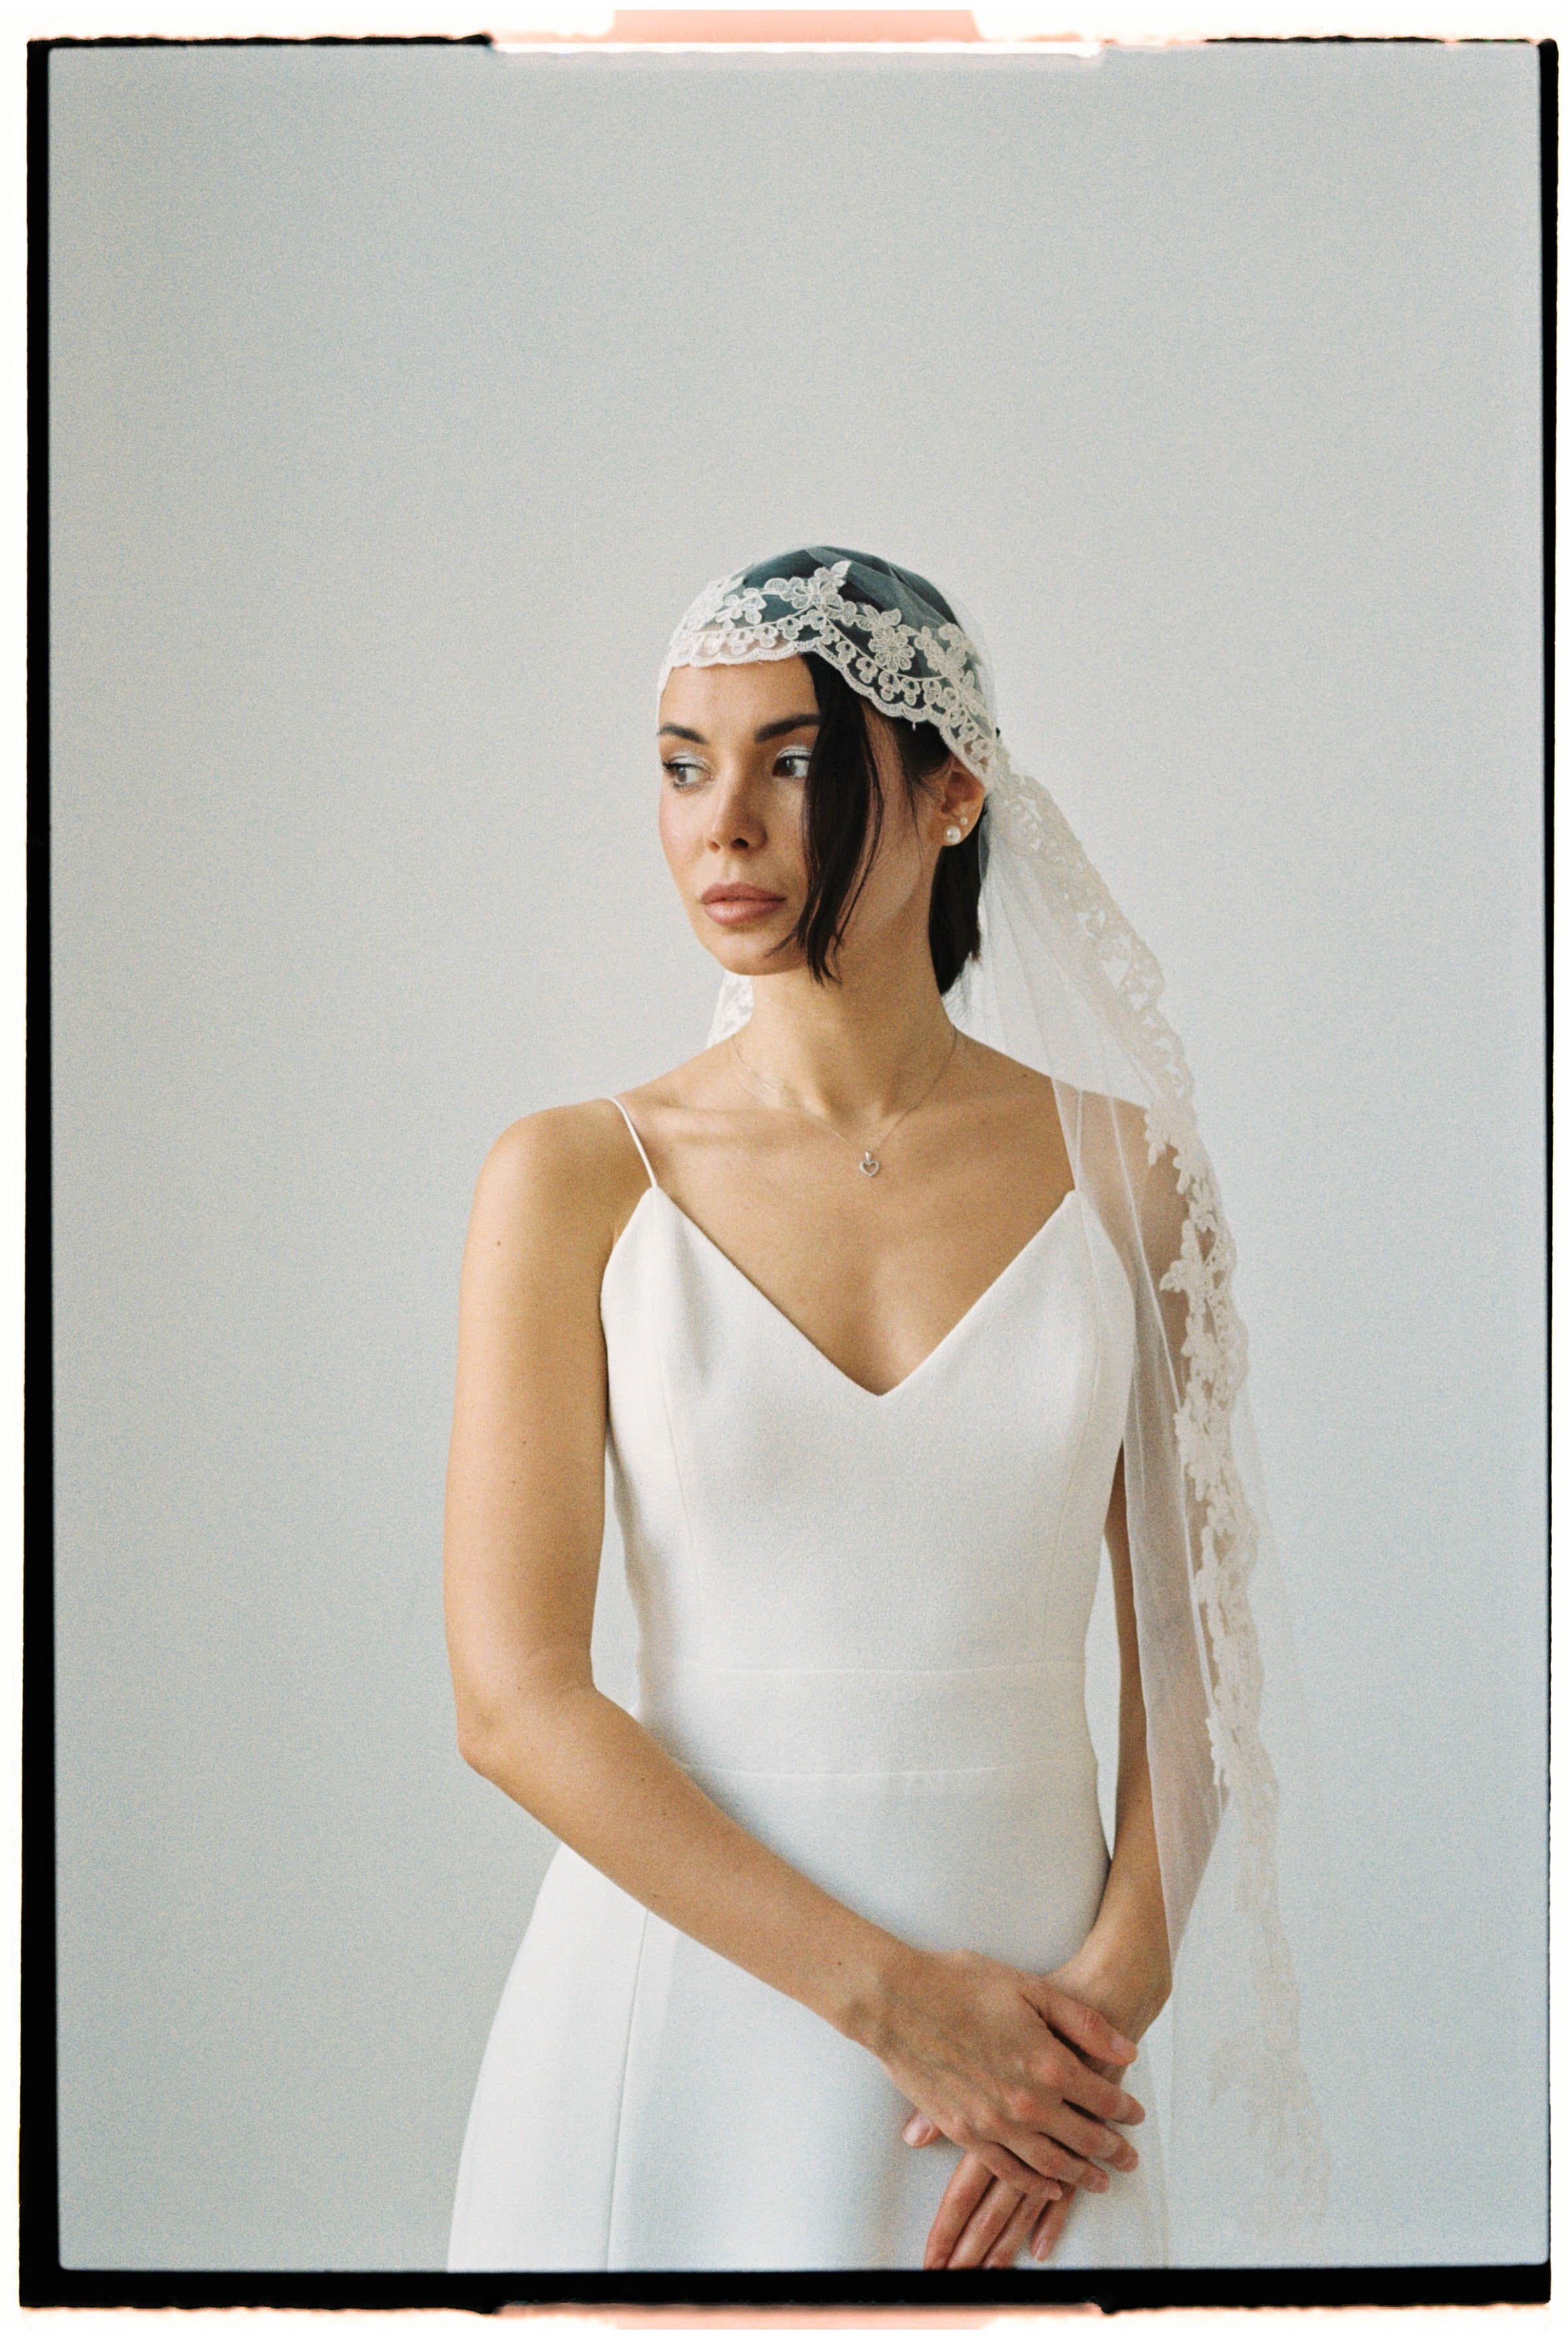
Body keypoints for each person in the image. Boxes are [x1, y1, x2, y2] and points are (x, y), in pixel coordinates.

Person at [442, 549, 1331, 2275]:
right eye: (685, 765)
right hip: (674, 2026)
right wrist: (905, 2009)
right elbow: (514, 1699)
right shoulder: (567, 1183)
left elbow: (1192, 1658)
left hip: (1030, 2076)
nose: (726, 828)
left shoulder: (1133, 1182)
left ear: (953, 787)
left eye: (794, 760)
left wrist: (1092, 2020)